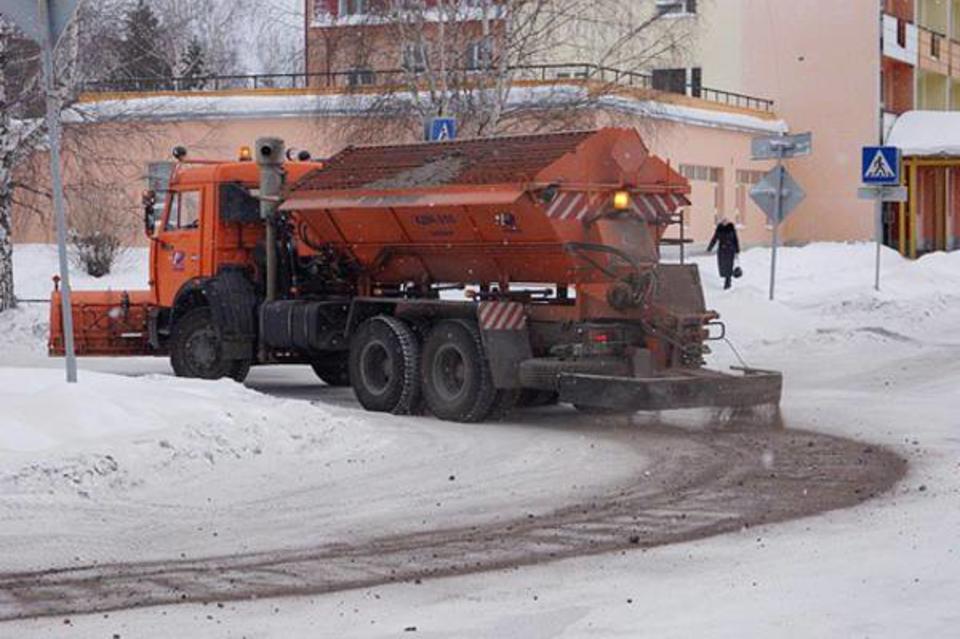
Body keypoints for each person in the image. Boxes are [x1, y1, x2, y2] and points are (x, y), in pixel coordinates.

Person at [707, 218, 740, 290]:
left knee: (729, 266)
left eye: (726, 221)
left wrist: (737, 250)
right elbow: (714, 238)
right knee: (723, 266)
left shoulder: (731, 228)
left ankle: (728, 281)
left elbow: (735, 240)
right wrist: (710, 247)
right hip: (722, 251)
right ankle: (726, 278)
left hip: (730, 250)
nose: (725, 223)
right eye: (723, 222)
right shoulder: (719, 229)